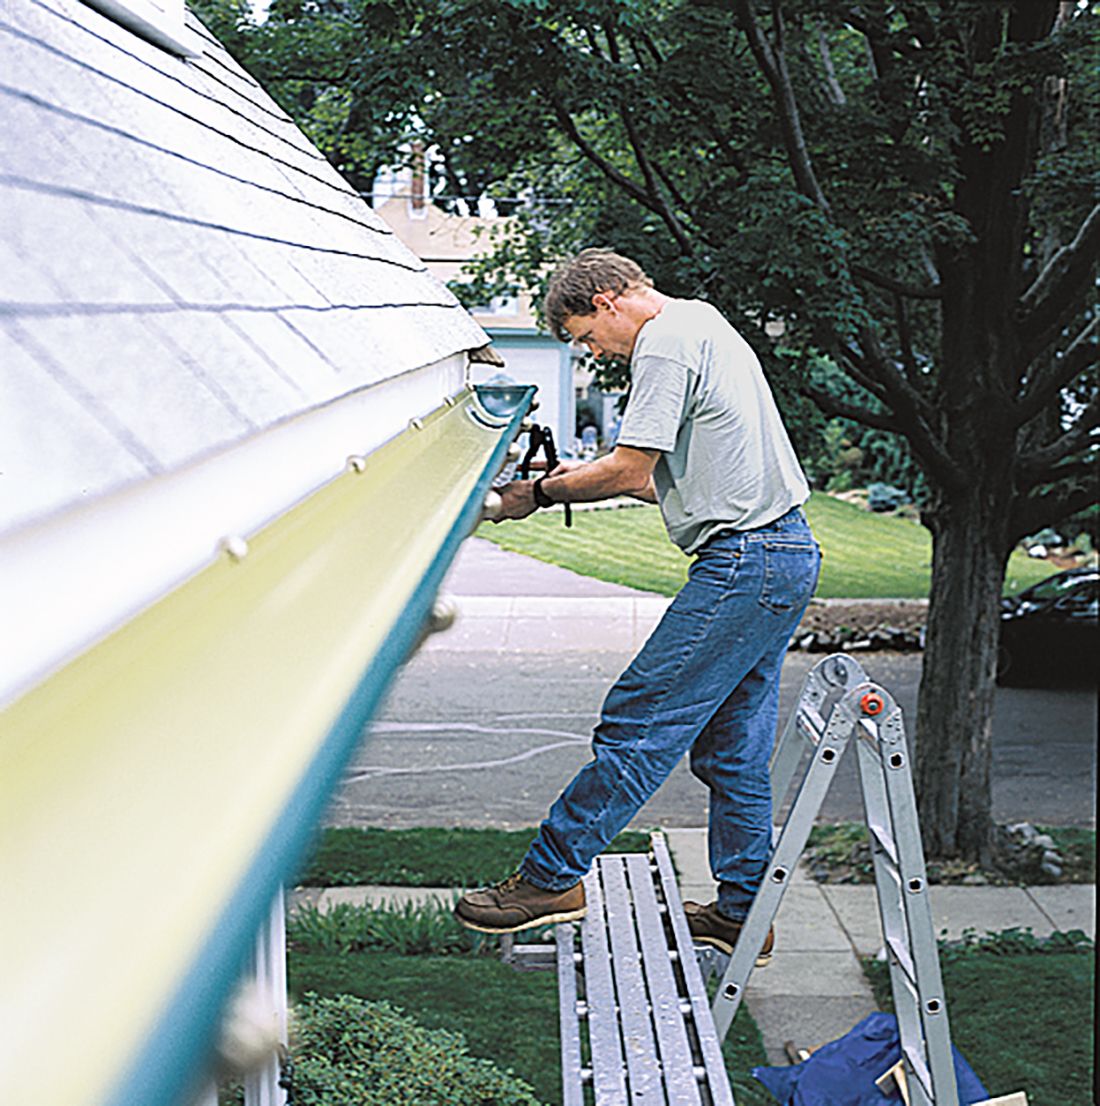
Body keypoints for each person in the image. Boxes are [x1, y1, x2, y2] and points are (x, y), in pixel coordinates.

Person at [454, 249, 820, 959]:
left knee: (638, 720)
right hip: (783, 554)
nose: (594, 352)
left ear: (610, 299)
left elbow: (629, 466)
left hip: (746, 562)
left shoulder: (663, 346)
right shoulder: (703, 325)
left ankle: (550, 878)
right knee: (732, 751)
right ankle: (744, 912)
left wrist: (537, 494)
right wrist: (573, 479)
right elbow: (656, 482)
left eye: (586, 337)